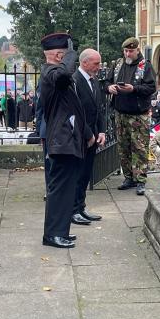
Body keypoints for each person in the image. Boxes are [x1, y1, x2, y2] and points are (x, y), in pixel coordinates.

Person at [40, 32, 90, 249]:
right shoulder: (51, 71)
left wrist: (87, 133)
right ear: (59, 56)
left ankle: (60, 231)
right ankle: (52, 235)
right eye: (68, 55)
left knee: (66, 189)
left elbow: (74, 108)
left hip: (68, 140)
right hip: (61, 141)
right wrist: (68, 58)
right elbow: (61, 78)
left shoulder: (58, 71)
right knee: (59, 189)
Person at [105, 37, 156, 196]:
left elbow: (151, 88)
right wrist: (110, 87)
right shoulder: (118, 64)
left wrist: (133, 89)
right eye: (126, 51)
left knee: (139, 149)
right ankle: (129, 178)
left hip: (138, 115)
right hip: (120, 113)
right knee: (123, 148)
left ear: (137, 50)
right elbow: (106, 82)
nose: (128, 53)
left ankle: (140, 180)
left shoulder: (145, 66)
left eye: (131, 51)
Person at [71, 48, 105, 225]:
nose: (99, 67)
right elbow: (76, 113)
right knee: (77, 174)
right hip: (80, 137)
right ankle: (73, 210)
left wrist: (101, 131)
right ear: (84, 63)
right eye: (96, 63)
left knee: (85, 174)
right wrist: (88, 134)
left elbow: (99, 109)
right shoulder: (75, 82)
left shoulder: (94, 81)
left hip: (93, 136)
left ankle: (81, 207)